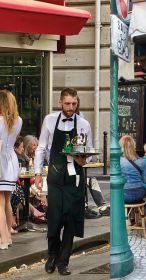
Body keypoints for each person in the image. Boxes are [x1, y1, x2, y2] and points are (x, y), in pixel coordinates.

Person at [34, 87, 93, 275]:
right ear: (60, 102)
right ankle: (52, 254)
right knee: (54, 218)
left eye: (74, 104)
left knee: (70, 219)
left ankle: (62, 261)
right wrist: (37, 173)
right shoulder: (50, 120)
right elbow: (41, 147)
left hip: (75, 177)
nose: (71, 107)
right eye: (67, 103)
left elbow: (89, 154)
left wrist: (83, 159)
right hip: (55, 176)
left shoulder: (84, 124)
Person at [0, 90, 22, 249]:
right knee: (6, 201)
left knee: (0, 202)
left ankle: (4, 238)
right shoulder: (18, 120)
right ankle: (8, 232)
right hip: (11, 160)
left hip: (1, 160)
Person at [119, 135, 146, 204]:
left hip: (125, 195)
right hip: (140, 194)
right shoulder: (142, 161)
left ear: (121, 147)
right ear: (133, 146)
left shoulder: (119, 161)